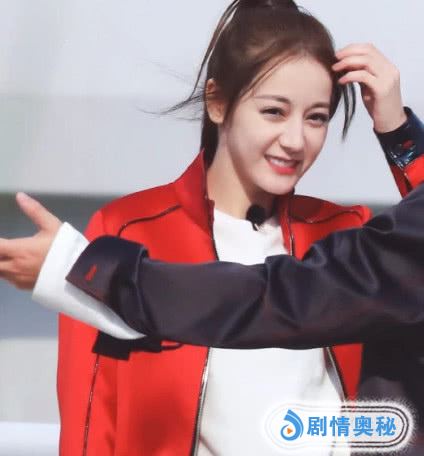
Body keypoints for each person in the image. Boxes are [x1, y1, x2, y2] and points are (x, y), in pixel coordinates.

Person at [1, 0, 424, 454]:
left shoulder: (344, 230)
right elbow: (90, 423)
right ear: (218, 102)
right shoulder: (128, 233)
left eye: (316, 117)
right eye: (274, 111)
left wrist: (399, 133)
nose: (295, 140)